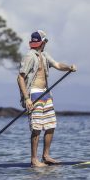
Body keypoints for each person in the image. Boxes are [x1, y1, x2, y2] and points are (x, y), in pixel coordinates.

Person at [17, 30, 77, 167]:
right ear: (43, 42)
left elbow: (56, 65)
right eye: (45, 42)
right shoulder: (29, 56)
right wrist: (27, 98)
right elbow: (20, 77)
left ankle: (46, 156)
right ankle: (34, 159)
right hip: (34, 94)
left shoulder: (44, 55)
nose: (45, 44)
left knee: (51, 125)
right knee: (37, 128)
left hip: (46, 93)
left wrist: (68, 67)